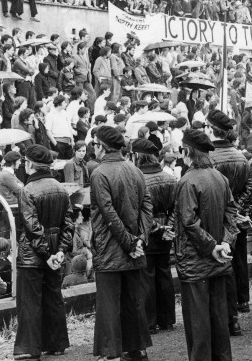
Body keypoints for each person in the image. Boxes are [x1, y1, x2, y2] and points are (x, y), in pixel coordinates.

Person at [175, 129, 240, 361]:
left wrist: (214, 245)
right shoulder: (219, 178)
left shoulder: (187, 181)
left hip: (196, 260)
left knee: (198, 323)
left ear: (187, 152)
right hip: (217, 257)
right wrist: (224, 242)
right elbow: (232, 213)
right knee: (218, 319)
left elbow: (189, 223)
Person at [90, 126, 153, 361]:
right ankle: (136, 349)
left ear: (102, 146)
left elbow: (108, 213)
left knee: (108, 303)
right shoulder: (135, 170)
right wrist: (141, 239)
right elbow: (147, 205)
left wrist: (130, 242)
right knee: (133, 300)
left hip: (111, 247)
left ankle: (111, 352)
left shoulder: (99, 173)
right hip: (134, 246)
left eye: (95, 144)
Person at [13, 145, 74, 359]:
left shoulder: (27, 190)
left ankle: (29, 349)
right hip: (55, 252)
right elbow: (68, 223)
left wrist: (46, 254)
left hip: (34, 255)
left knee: (29, 301)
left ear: (30, 164)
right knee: (53, 297)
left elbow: (32, 227)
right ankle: (56, 343)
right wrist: (59, 252)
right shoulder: (60, 187)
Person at [206, 109, 252, 334]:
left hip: (218, 219)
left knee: (222, 263)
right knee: (239, 259)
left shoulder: (209, 158)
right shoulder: (241, 157)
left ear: (211, 130)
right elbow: (250, 187)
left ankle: (227, 310)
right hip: (236, 217)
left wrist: (230, 210)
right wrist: (237, 210)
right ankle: (242, 301)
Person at [133, 139, 177, 335]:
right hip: (165, 231)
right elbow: (176, 207)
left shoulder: (139, 180)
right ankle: (167, 319)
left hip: (148, 231)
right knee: (164, 271)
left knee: (147, 275)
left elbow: (139, 211)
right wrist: (169, 227)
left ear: (138, 157)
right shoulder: (168, 178)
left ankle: (150, 322)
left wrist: (158, 227)